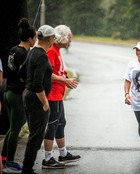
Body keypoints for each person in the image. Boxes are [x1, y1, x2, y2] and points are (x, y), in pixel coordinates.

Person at [1, 18, 36, 173]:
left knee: (13, 128)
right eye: (35, 37)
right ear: (30, 39)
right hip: (16, 95)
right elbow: (24, 75)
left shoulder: (14, 49)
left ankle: (3, 158)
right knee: (16, 129)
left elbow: (12, 70)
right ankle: (9, 161)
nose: (36, 39)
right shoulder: (24, 54)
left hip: (7, 92)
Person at [42, 25, 80, 169]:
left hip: (58, 93)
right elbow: (47, 73)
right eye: (69, 38)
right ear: (62, 37)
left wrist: (66, 78)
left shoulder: (57, 50)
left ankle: (63, 154)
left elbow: (57, 70)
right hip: (52, 94)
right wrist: (64, 80)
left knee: (61, 122)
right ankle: (47, 158)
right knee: (52, 124)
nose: (70, 41)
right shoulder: (51, 51)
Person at [20, 25, 57, 174]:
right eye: (53, 37)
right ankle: (27, 169)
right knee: (36, 137)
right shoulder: (41, 56)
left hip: (27, 95)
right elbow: (37, 84)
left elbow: (22, 72)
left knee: (33, 135)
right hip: (36, 100)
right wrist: (45, 102)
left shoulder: (32, 51)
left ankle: (27, 168)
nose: (54, 39)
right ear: (49, 39)